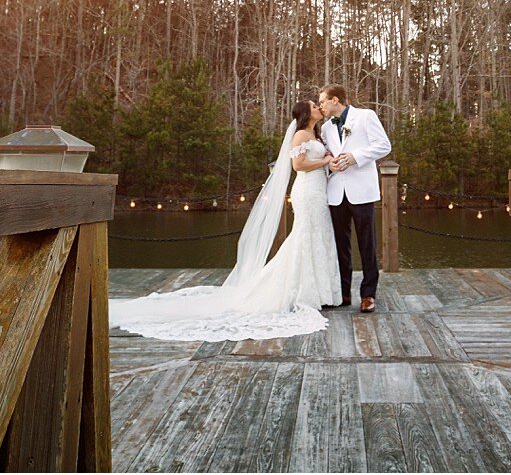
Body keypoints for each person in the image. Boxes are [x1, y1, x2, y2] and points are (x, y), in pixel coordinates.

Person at [108, 99, 344, 341]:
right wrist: (324, 161)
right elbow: (298, 165)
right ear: (306, 113)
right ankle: (302, 292)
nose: (318, 107)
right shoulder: (300, 135)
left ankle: (323, 292)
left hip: (319, 191)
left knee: (320, 235)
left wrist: (327, 157)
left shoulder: (316, 135)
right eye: (314, 106)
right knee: (304, 236)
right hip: (307, 191)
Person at [318, 85, 393, 313]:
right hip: (336, 192)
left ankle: (368, 294)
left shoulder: (365, 116)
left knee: (366, 244)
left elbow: (384, 146)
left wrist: (355, 157)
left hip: (362, 191)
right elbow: (326, 154)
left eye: (322, 101)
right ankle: (343, 292)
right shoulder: (325, 128)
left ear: (335, 99)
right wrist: (329, 163)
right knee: (340, 245)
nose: (320, 106)